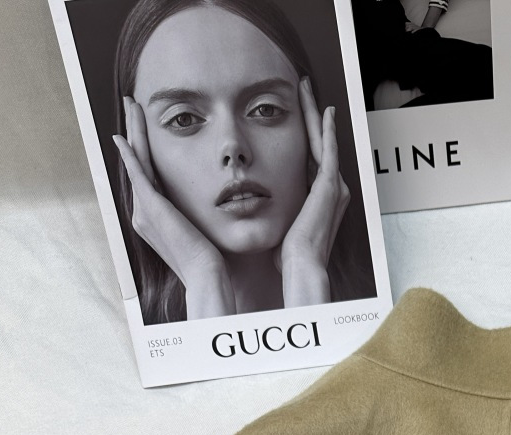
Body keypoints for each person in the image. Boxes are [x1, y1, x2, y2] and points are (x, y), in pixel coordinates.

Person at [111, 0, 354, 324]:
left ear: (312, 135)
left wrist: (306, 272)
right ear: (140, 152)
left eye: (265, 109)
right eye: (184, 119)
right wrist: (204, 280)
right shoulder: (115, 343)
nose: (233, 146)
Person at [351, 0, 493, 112]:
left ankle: (407, 122)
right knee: (355, 115)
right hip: (355, 42)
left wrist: (426, 26)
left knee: (490, 66)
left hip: (401, 35)